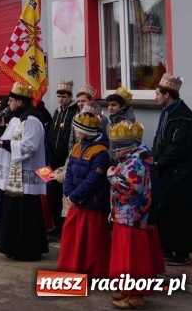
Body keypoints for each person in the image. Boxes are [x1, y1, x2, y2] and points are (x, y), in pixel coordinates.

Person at [108, 121, 165, 310]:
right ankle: (127, 289)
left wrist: (112, 177)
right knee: (125, 257)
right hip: (124, 215)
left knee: (133, 258)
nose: (114, 151)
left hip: (132, 217)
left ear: (126, 146)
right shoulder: (130, 159)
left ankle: (135, 296)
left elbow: (132, 190)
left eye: (117, 147)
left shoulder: (135, 162)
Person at [0, 82, 49, 261]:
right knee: (11, 211)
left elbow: (29, 147)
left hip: (24, 175)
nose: (8, 104)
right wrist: (0, 130)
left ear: (20, 102)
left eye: (11, 100)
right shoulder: (17, 118)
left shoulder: (32, 119)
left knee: (25, 213)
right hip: (13, 175)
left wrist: (4, 144)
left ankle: (26, 249)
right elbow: (10, 138)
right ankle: (11, 246)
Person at [152, 73, 192, 266]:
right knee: (167, 211)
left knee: (180, 213)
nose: (155, 97)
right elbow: (159, 139)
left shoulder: (185, 118)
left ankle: (182, 253)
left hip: (181, 174)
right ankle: (168, 248)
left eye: (157, 93)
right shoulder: (167, 113)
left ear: (166, 95)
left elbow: (177, 148)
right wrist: (153, 157)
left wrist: (159, 162)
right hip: (167, 171)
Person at [56, 108, 111, 278]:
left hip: (92, 203)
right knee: (72, 239)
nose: (75, 130)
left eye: (77, 128)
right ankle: (72, 271)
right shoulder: (78, 147)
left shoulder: (101, 151)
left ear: (84, 131)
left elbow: (93, 179)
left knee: (91, 243)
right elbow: (70, 171)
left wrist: (74, 196)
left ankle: (94, 274)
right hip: (76, 202)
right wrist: (68, 193)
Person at [45, 79, 79, 238]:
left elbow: (69, 137)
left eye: (64, 96)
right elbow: (52, 132)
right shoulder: (57, 112)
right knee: (54, 193)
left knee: (64, 193)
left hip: (65, 158)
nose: (60, 99)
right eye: (59, 96)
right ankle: (56, 223)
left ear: (70, 97)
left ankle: (63, 225)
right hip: (54, 158)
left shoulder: (74, 112)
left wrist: (66, 157)